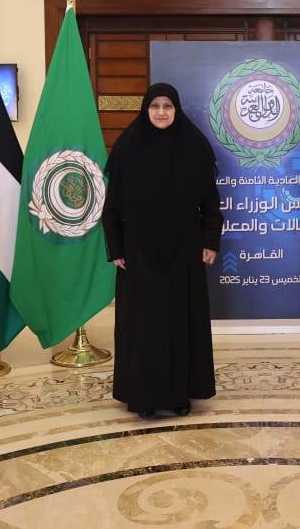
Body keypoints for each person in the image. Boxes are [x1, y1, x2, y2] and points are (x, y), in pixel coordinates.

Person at [103, 83, 223, 419]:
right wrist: (116, 247)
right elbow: (112, 207)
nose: (161, 112)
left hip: (184, 253)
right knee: (144, 326)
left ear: (176, 109)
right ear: (146, 110)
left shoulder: (195, 147)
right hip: (138, 254)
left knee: (180, 324)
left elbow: (210, 204)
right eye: (154, 106)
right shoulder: (127, 147)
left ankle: (178, 396)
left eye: (167, 106)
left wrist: (210, 241)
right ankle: (143, 396)